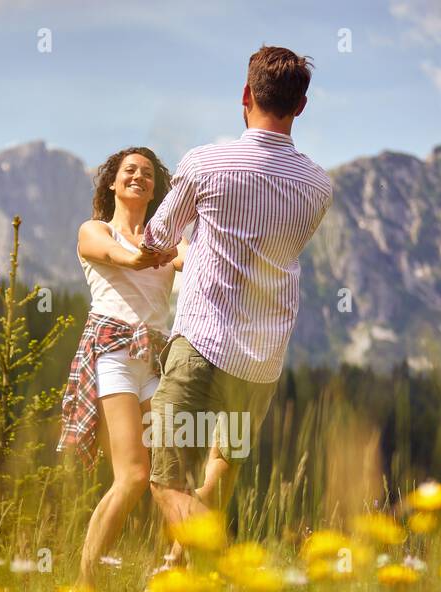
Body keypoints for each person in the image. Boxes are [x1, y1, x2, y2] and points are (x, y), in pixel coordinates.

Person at [139, 45, 333, 543]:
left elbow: (157, 240)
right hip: (261, 364)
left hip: (201, 347)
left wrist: (191, 244)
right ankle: (184, 586)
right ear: (301, 106)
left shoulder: (205, 163)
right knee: (219, 474)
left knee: (164, 479)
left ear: (246, 95)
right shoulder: (317, 185)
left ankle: (227, 563)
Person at [57, 146, 187, 584]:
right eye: (129, 171)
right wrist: (146, 254)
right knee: (132, 476)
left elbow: (195, 262)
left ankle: (176, 571)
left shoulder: (170, 238)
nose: (139, 177)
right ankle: (85, 580)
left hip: (153, 361)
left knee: (174, 475)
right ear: (113, 182)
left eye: (148, 174)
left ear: (155, 189)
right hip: (112, 354)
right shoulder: (94, 230)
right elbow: (118, 256)